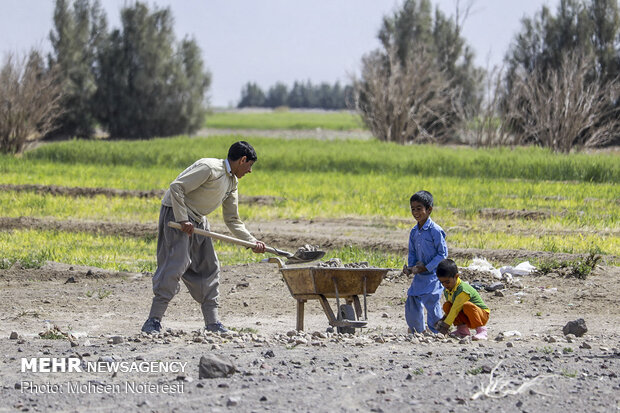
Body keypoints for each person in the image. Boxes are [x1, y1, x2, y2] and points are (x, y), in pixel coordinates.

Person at [141, 141, 266, 334]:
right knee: (177, 263)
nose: (250, 171)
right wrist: (183, 219)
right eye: (250, 165)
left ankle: (212, 323)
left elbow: (232, 219)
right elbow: (176, 188)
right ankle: (153, 321)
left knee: (210, 267)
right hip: (176, 215)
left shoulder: (232, 182)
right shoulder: (209, 168)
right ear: (242, 160)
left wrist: (251, 241)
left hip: (198, 220)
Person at [402, 190, 448, 334]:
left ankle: (437, 332)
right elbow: (413, 252)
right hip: (420, 275)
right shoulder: (414, 231)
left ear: (429, 209)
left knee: (432, 300)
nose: (415, 212)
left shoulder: (435, 230)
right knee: (412, 300)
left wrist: (427, 267)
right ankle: (417, 331)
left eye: (419, 209)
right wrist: (411, 268)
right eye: (413, 209)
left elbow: (442, 254)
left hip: (433, 274)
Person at [435, 258, 490, 340]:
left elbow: (455, 309)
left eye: (447, 282)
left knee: (467, 305)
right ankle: (462, 330)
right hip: (467, 316)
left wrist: (445, 326)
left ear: (456, 276)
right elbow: (451, 309)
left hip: (481, 315)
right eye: (441, 282)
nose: (444, 285)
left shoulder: (462, 290)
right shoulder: (448, 289)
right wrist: (442, 320)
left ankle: (482, 331)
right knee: (447, 306)